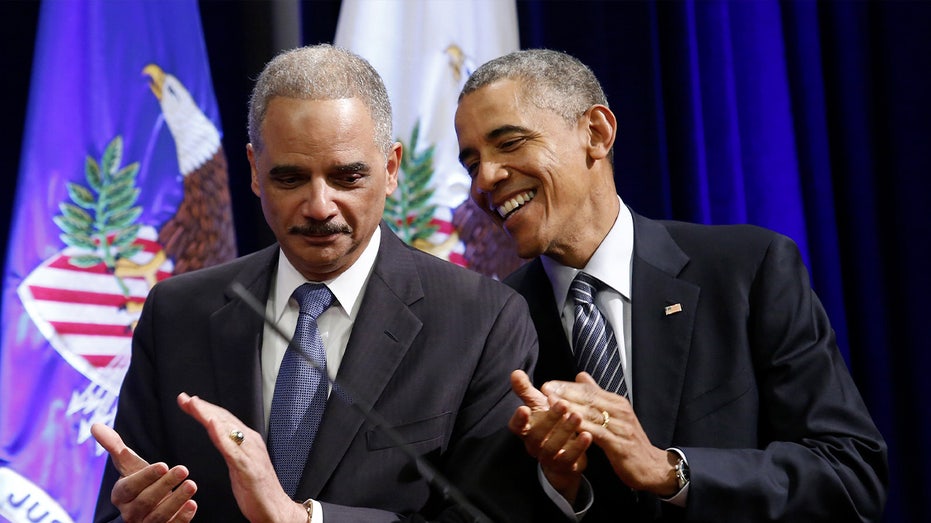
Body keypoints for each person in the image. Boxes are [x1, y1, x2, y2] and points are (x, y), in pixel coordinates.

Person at [92, 44, 561, 523]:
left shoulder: (481, 321)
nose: (319, 206)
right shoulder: (176, 313)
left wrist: (305, 520)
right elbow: (121, 509)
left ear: (391, 169)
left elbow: (487, 518)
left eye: (347, 177)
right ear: (254, 171)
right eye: (290, 179)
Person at [454, 49, 888, 522]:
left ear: (596, 133)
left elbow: (851, 475)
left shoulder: (747, 270)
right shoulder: (492, 326)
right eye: (472, 164)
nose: (485, 180)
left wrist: (671, 471)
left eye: (510, 143)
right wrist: (561, 488)